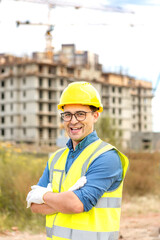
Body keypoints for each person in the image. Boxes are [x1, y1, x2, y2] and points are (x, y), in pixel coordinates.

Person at [26, 81, 129, 240]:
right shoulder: (56, 158)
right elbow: (33, 205)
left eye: (80, 113)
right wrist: (63, 200)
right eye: (67, 114)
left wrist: (44, 195)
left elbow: (76, 205)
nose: (73, 121)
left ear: (95, 115)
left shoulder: (107, 157)